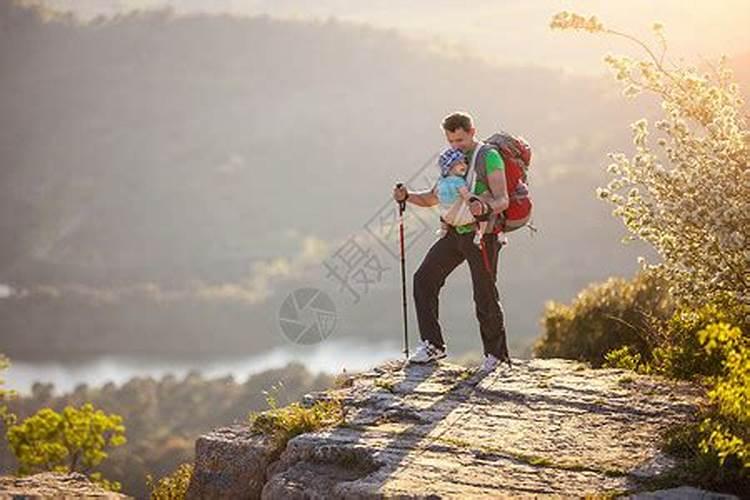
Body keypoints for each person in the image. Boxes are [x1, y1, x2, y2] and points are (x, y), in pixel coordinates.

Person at [392, 111, 512, 373]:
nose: (457, 145)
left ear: (472, 131)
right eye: (451, 141)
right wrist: (407, 196)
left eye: (460, 139)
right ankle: (433, 345)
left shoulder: (488, 157)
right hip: (454, 231)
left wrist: (483, 205)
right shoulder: (451, 161)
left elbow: (503, 199)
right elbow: (433, 198)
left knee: (484, 291)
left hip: (483, 234)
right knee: (423, 279)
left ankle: (496, 357)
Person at [434, 146, 488, 246]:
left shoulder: (440, 182)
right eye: (459, 163)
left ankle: (443, 229)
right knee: (484, 213)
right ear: (449, 166)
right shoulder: (458, 181)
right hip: (460, 218)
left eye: (465, 162)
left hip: (446, 217)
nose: (464, 165)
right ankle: (480, 234)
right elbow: (466, 195)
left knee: (443, 207)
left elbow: (436, 195)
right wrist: (477, 200)